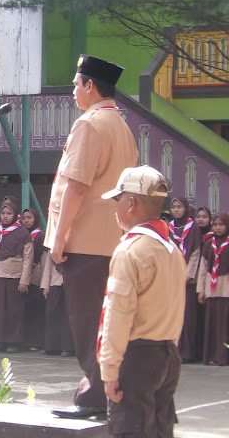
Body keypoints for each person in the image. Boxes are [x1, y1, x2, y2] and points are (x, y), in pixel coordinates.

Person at [46, 55, 138, 418]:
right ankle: (109, 390)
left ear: (90, 86)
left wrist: (60, 235)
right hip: (111, 239)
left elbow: (77, 186)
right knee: (106, 318)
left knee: (86, 320)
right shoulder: (122, 126)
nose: (72, 91)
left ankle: (96, 394)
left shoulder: (90, 124)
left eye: (75, 83)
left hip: (84, 241)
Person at [98, 166, 185, 437]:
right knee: (160, 430)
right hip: (167, 355)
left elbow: (117, 315)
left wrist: (109, 369)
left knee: (131, 429)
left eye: (118, 200)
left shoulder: (130, 251)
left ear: (131, 203)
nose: (116, 207)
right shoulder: (171, 250)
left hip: (137, 358)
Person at [0, 201, 33, 353]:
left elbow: (28, 258)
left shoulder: (22, 233)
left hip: (13, 276)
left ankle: (13, 342)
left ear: (15, 216)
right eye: (3, 213)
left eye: (8, 214)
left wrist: (24, 280)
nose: (5, 216)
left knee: (12, 310)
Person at [169, 197, 202, 364]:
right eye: (173, 207)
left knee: (187, 317)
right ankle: (173, 352)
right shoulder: (169, 227)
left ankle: (187, 353)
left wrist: (187, 277)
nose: (176, 210)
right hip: (171, 278)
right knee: (172, 316)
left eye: (179, 207)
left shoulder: (193, 228)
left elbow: (195, 253)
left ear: (186, 209)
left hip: (187, 281)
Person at [197, 212, 229, 366]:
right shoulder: (209, 244)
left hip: (226, 290)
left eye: (221, 224)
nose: (218, 228)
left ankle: (223, 357)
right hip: (211, 290)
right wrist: (201, 290)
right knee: (212, 325)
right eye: (215, 225)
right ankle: (211, 356)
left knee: (224, 326)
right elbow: (203, 269)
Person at [21, 207, 47, 351]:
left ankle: (38, 341)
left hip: (36, 277)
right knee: (27, 310)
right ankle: (27, 341)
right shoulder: (20, 234)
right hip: (23, 277)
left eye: (29, 218)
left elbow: (43, 260)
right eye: (24, 218)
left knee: (37, 310)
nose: (26, 221)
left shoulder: (40, 236)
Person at [40, 252, 74, 357]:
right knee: (52, 313)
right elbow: (48, 266)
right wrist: (46, 286)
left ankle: (68, 348)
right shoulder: (55, 246)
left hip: (71, 283)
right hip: (55, 282)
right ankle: (52, 346)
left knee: (68, 315)